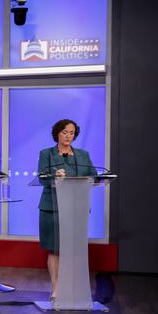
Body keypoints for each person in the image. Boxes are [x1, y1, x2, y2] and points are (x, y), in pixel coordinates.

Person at [36, 119, 97, 301]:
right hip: (52, 207)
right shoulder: (46, 154)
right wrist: (54, 176)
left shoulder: (83, 155)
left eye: (71, 133)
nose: (68, 136)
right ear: (57, 134)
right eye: (64, 132)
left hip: (76, 206)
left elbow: (93, 175)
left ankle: (72, 287)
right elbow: (42, 178)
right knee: (55, 249)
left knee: (73, 249)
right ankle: (55, 289)